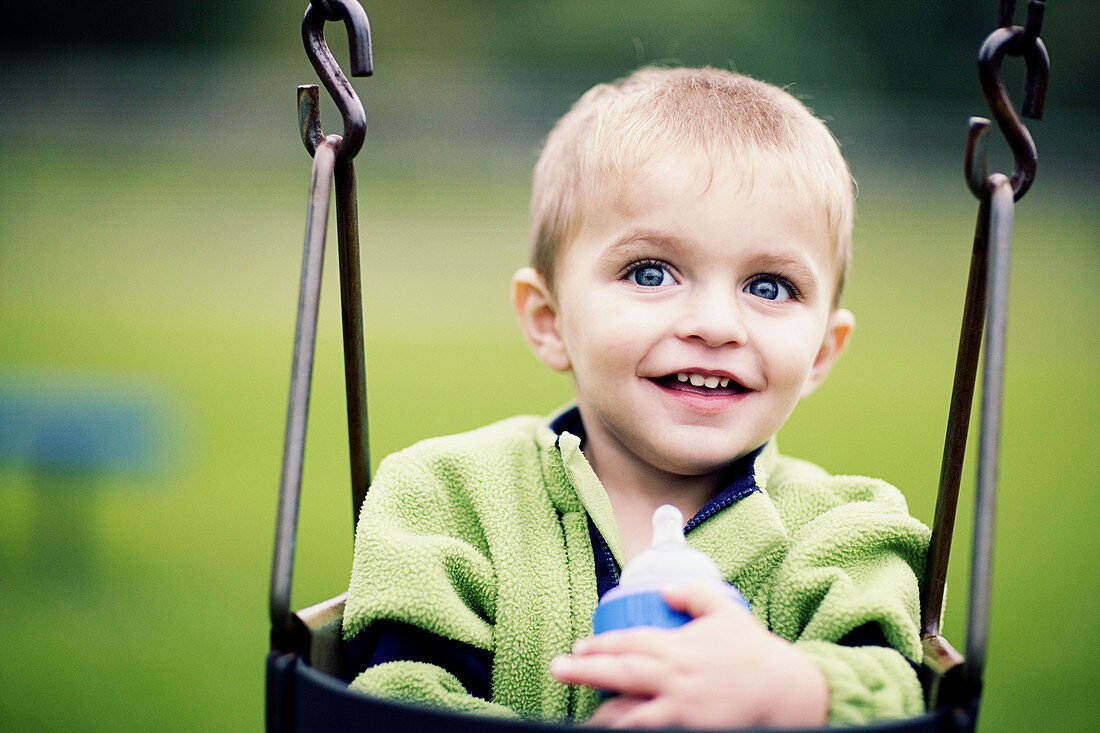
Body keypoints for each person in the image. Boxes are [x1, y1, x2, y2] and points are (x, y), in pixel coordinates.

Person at [342, 66, 930, 728]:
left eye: (768, 286)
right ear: (549, 318)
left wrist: (796, 690)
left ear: (822, 350)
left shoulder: (846, 528)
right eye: (651, 272)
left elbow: (896, 692)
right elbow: (395, 694)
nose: (715, 324)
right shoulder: (450, 494)